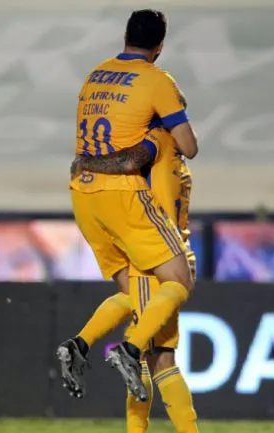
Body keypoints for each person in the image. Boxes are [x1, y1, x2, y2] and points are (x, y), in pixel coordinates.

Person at [57, 8, 199, 404]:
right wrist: (166, 124)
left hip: (82, 194)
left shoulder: (95, 75)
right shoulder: (157, 82)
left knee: (136, 296)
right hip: (123, 196)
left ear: (125, 37)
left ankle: (82, 344)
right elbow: (190, 146)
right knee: (178, 278)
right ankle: (130, 347)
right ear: (160, 47)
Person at [75, 126, 199, 433]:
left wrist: (87, 162)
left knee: (157, 359)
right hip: (176, 249)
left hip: (153, 254)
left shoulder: (156, 142)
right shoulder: (179, 165)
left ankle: (108, 345)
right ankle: (94, 343)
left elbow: (129, 163)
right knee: (158, 357)